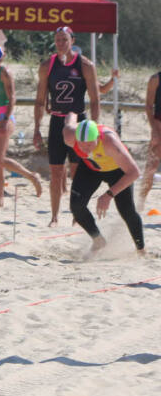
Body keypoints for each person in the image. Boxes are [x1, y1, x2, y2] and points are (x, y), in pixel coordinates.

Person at [34, 26, 100, 227]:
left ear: (72, 40)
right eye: (57, 40)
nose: (61, 43)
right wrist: (36, 128)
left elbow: (95, 100)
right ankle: (54, 216)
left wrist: (95, 127)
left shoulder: (85, 65)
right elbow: (40, 100)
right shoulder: (47, 65)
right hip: (57, 121)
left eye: (64, 39)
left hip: (79, 123)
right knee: (55, 172)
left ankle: (76, 214)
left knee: (77, 172)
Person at [63, 114, 145, 256]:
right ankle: (98, 240)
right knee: (76, 206)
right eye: (82, 144)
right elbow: (69, 120)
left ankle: (141, 250)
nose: (86, 148)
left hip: (118, 171)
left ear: (97, 138)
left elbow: (134, 173)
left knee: (127, 211)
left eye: (90, 144)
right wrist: (72, 112)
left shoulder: (109, 142)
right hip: (91, 168)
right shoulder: (70, 136)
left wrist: (108, 195)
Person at [0, 44, 42, 206]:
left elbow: (12, 96)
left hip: (3, 116)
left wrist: (6, 118)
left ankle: (31, 176)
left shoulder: (4, 72)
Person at [138, 70, 161, 206]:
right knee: (151, 166)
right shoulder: (156, 79)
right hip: (159, 125)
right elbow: (148, 106)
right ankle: (140, 202)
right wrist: (154, 129)